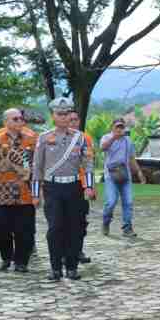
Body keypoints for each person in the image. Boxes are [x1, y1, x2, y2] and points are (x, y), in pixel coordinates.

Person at [32, 97, 96, 281]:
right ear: (53, 116)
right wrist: (35, 193)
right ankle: (55, 268)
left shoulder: (80, 138)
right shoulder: (44, 138)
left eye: (67, 113)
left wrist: (89, 186)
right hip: (52, 187)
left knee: (75, 228)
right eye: (60, 114)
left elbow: (88, 164)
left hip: (74, 187)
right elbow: (37, 167)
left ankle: (72, 267)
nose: (64, 117)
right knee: (55, 228)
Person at [0, 108, 38, 272]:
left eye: (21, 119)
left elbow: (37, 166)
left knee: (24, 230)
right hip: (0, 193)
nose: (20, 122)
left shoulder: (32, 140)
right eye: (16, 119)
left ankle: (21, 261)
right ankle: (6, 257)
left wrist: (38, 190)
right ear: (6, 122)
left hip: (24, 192)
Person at [101, 118, 145, 237]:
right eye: (117, 127)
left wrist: (139, 172)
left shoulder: (128, 141)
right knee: (111, 202)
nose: (120, 129)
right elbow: (103, 148)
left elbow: (131, 158)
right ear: (112, 127)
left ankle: (127, 227)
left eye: (121, 127)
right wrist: (113, 137)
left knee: (128, 202)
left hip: (125, 174)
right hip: (110, 175)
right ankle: (106, 222)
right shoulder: (106, 137)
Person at [70, 111, 93, 265]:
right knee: (62, 221)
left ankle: (78, 250)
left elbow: (89, 163)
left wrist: (89, 186)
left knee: (80, 221)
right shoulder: (53, 138)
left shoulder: (85, 138)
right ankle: (65, 252)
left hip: (81, 184)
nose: (72, 122)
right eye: (69, 119)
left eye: (75, 119)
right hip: (61, 184)